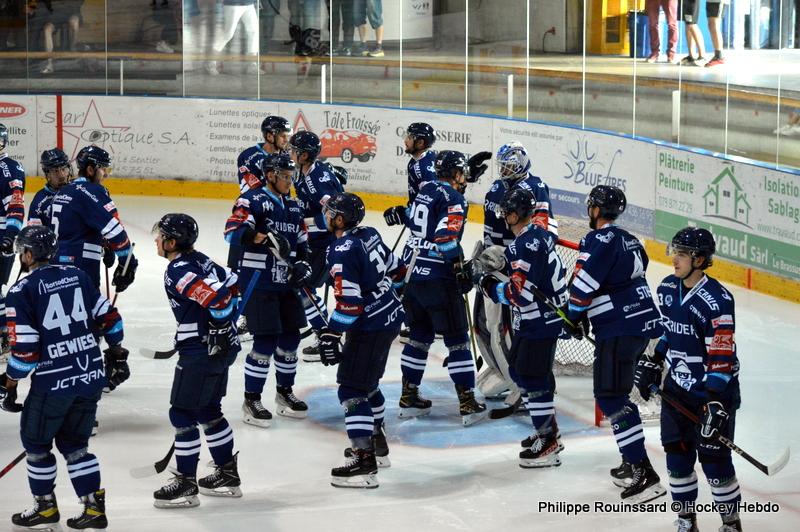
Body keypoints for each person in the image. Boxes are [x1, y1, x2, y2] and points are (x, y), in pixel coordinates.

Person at [0, 225, 128, 530]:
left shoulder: (21, 291)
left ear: (28, 255)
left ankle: (45, 508)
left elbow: (26, 354)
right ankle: (93, 508)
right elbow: (111, 320)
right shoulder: (78, 275)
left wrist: (9, 382)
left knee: (36, 444)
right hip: (90, 375)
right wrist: (116, 352)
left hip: (54, 384)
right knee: (75, 445)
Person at [635, 228, 742, 532]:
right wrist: (655, 359)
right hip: (677, 391)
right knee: (677, 460)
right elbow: (670, 330)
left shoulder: (718, 300)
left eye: (682, 254)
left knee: (715, 464)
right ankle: (686, 521)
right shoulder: (668, 288)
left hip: (712, 394)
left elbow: (721, 355)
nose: (674, 259)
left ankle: (731, 524)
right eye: (675, 252)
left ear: (699, 259)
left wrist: (714, 401)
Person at [564, 185, 665, 502]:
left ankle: (643, 470)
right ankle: (630, 460)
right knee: (617, 394)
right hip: (641, 325)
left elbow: (584, 285)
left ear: (595, 210)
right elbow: (627, 277)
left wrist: (572, 315)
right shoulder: (631, 239)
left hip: (619, 328)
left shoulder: (596, 239)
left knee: (611, 398)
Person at [383, 150, 486, 426]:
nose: (464, 179)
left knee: (419, 336)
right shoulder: (455, 199)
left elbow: (413, 216)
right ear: (455, 174)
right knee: (457, 339)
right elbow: (445, 238)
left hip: (411, 274)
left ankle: (409, 397)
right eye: (462, 173)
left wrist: (399, 213)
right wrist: (459, 266)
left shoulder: (426, 189)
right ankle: (467, 402)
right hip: (438, 277)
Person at [152, 213, 243, 508]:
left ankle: (186, 483)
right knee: (208, 410)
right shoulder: (201, 259)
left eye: (161, 235)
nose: (156, 240)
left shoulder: (178, 271)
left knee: (182, 414)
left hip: (201, 351)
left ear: (172, 242)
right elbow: (234, 283)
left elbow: (219, 300)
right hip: (222, 347)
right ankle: (227, 474)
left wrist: (218, 323)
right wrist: (222, 326)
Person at [476, 188, 568, 467]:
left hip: (539, 321)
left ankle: (548, 441)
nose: (504, 217)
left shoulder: (524, 244)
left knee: (531, 378)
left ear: (516, 215)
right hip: (538, 319)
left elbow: (520, 295)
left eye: (506, 212)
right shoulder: (538, 235)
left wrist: (489, 286)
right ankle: (548, 430)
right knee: (519, 371)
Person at [318, 192, 405, 488]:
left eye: (330, 213)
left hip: (370, 326)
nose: (326, 216)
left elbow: (350, 305)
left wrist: (331, 332)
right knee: (369, 385)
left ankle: (364, 461)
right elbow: (398, 268)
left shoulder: (341, 250)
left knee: (352, 390)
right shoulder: (369, 233)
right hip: (391, 316)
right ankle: (377, 443)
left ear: (340, 219)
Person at [224, 153, 311, 427]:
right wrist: (261, 237)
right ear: (271, 175)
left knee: (291, 339)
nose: (289, 181)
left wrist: (303, 264)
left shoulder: (294, 206)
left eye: (291, 176)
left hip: (286, 282)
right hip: (258, 281)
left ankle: (284, 393)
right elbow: (231, 231)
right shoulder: (251, 199)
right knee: (265, 341)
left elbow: (302, 242)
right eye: (285, 176)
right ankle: (252, 399)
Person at [50, 145, 138, 292]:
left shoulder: (63, 191)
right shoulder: (93, 191)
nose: (106, 175)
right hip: (80, 266)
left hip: (54, 264)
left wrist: (105, 245)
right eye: (103, 169)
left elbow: (74, 227)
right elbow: (115, 231)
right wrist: (128, 263)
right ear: (90, 170)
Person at [289, 130, 344, 361]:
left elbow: (334, 215)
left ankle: (325, 335)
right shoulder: (300, 172)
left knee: (304, 287)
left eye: (294, 150)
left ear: (304, 155)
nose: (290, 153)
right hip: (314, 241)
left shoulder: (318, 181)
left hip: (325, 243)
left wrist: (302, 224)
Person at [206, 0, 259, 75]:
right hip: (233, 3)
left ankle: (252, 64)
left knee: (254, 32)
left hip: (249, 4)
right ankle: (210, 61)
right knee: (228, 34)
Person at [28, 148, 71, 228]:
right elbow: (34, 232)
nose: (62, 175)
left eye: (63, 169)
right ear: (47, 174)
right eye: (56, 171)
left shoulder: (78, 192)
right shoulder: (39, 201)